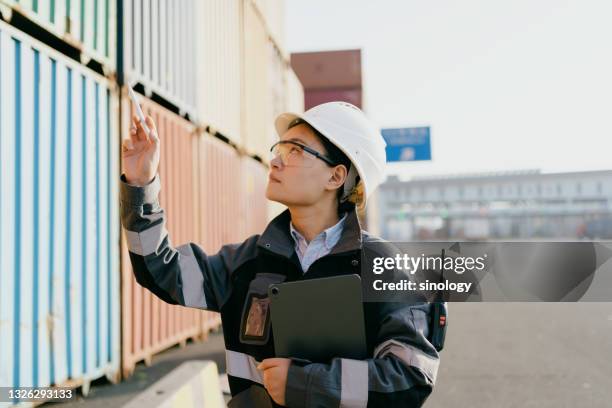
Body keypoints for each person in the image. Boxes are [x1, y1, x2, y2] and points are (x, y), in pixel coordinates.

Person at [120, 101, 441, 407]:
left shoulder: (383, 267)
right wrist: (141, 182)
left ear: (336, 176)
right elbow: (160, 270)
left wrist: (305, 384)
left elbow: (410, 378)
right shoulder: (246, 262)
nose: (275, 160)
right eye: (280, 148)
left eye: (296, 151)